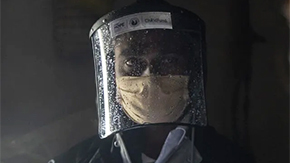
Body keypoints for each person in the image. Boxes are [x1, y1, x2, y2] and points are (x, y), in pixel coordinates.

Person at [49, 0, 255, 162]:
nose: (150, 75)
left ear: (191, 71)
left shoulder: (231, 159)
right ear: (112, 75)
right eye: (132, 62)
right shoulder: (76, 160)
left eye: (168, 60)